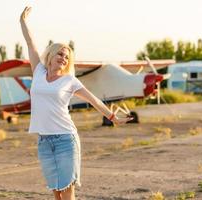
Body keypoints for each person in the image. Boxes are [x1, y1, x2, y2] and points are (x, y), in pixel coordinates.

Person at [20, 5, 133, 200]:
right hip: (44, 141)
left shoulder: (70, 81)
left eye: (67, 56)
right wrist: (23, 22)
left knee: (67, 190)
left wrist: (113, 117)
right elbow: (31, 44)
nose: (64, 58)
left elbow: (94, 100)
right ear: (51, 55)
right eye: (60, 54)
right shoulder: (38, 71)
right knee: (56, 191)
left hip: (65, 139)